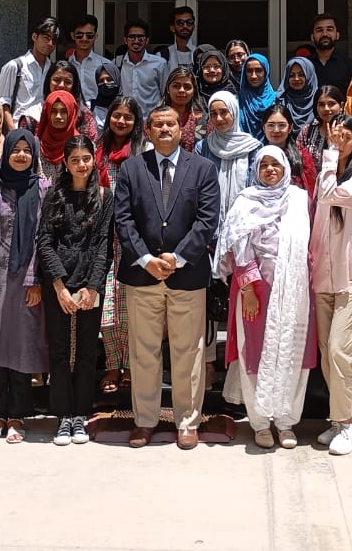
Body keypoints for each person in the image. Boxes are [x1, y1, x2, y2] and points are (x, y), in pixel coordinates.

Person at [115, 104, 221, 449]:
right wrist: (146, 259)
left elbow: (207, 220)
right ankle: (145, 420)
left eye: (170, 124)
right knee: (143, 352)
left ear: (181, 129)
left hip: (187, 275)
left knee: (188, 352)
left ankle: (187, 422)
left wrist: (176, 258)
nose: (164, 129)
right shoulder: (131, 168)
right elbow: (123, 219)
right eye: (157, 124)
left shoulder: (203, 168)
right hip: (142, 274)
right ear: (147, 131)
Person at [214, 146, 316, 449]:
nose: (270, 169)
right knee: (254, 354)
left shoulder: (299, 199)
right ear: (256, 170)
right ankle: (259, 422)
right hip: (256, 290)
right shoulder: (246, 202)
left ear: (286, 168)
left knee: (294, 354)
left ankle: (286, 422)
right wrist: (248, 290)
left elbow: (310, 241)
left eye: (276, 164)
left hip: (295, 290)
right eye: (264, 165)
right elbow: (239, 247)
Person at [35, 135, 115, 446]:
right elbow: (45, 242)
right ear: (65, 165)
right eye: (74, 160)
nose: (81, 165)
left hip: (90, 281)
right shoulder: (54, 195)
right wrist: (58, 286)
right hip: (59, 281)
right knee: (59, 350)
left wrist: (93, 287)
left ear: (94, 160)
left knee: (86, 351)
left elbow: (103, 245)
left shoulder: (105, 196)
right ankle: (62, 416)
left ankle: (81, 414)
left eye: (86, 159)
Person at [0, 130, 50, 443]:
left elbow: (44, 235)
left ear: (34, 155)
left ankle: (17, 415)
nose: (21, 155)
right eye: (15, 150)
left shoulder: (43, 188)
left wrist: (36, 280)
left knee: (22, 346)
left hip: (27, 280)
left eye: (26, 150)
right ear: (5, 153)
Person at [310, 115, 352, 456]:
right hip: (323, 275)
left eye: (346, 136)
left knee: (339, 350)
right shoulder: (325, 171)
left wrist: (331, 153)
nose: (339, 140)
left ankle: (346, 424)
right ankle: (337, 421)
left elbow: (329, 196)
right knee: (327, 352)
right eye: (335, 135)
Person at [95, 96, 144, 393]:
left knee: (132, 310)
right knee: (108, 310)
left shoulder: (143, 152)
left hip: (134, 238)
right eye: (117, 115)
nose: (122, 121)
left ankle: (132, 367)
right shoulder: (97, 152)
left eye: (128, 117)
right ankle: (113, 366)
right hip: (103, 237)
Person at [197, 91, 263, 218]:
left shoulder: (252, 148)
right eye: (213, 114)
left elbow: (255, 186)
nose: (218, 118)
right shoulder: (203, 147)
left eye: (224, 112)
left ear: (234, 112)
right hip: (209, 216)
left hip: (244, 217)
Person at [0, 16, 59, 129]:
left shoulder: (53, 69)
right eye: (46, 38)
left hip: (46, 129)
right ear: (34, 37)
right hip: (20, 128)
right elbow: (3, 103)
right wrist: (13, 132)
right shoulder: (15, 66)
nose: (50, 43)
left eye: (54, 40)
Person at [114, 18, 169, 118]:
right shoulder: (117, 63)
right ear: (125, 40)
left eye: (140, 37)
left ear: (147, 40)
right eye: (132, 37)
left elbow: (166, 95)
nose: (136, 41)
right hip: (127, 120)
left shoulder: (159, 64)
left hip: (151, 120)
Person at [260, 103, 316, 196]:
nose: (276, 130)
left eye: (281, 125)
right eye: (271, 125)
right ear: (263, 128)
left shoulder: (302, 157)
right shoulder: (257, 157)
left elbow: (311, 192)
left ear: (290, 128)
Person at [43, 59, 99, 142]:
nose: (61, 85)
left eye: (68, 82)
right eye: (57, 80)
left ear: (74, 86)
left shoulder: (84, 115)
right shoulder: (37, 111)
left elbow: (91, 146)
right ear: (48, 82)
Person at [295, 85, 346, 172]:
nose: (326, 108)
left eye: (331, 104)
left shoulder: (349, 131)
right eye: (321, 105)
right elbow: (298, 160)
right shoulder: (307, 131)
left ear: (341, 106)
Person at [37, 89, 80, 184]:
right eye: (53, 111)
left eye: (64, 111)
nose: (58, 116)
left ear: (71, 113)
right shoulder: (36, 145)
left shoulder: (82, 146)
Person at [164, 66, 206, 152]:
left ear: (193, 91)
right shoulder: (156, 119)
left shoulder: (203, 120)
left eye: (187, 87)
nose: (181, 90)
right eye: (176, 86)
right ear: (168, 88)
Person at [307, 13, 352, 93]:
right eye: (319, 30)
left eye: (329, 29)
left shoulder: (350, 66)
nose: (324, 34)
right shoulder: (304, 66)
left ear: (337, 35)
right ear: (312, 37)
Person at [238, 54, 279, 138]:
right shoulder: (237, 100)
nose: (253, 76)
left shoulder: (277, 99)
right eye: (249, 71)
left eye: (258, 70)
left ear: (266, 72)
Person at [68, 14, 105, 105]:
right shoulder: (65, 65)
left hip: (98, 113)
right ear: (73, 36)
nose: (84, 39)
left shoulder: (105, 65)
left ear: (96, 36)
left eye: (89, 35)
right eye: (79, 35)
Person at [276, 56, 319, 131]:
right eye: (292, 75)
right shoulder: (280, 101)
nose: (296, 79)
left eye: (301, 74)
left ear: (309, 75)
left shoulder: (320, 101)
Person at [154, 5, 197, 71]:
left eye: (189, 22)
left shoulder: (201, 55)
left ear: (193, 27)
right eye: (180, 23)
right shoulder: (161, 56)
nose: (185, 26)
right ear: (172, 28)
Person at [89, 58, 122, 129]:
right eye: (101, 80)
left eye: (109, 79)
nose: (105, 83)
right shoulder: (90, 107)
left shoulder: (126, 106)